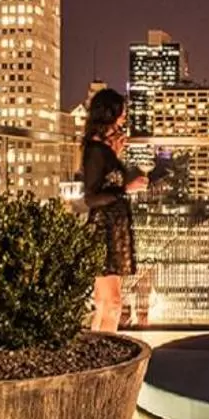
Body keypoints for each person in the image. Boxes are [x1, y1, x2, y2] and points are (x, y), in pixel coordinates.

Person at [81, 87, 148, 333]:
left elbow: (108, 179)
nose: (124, 118)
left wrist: (116, 154)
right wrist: (126, 189)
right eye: (121, 112)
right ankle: (104, 358)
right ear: (109, 113)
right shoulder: (95, 150)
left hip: (114, 228)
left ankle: (96, 356)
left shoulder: (103, 149)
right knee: (112, 304)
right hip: (105, 229)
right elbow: (91, 197)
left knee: (105, 303)